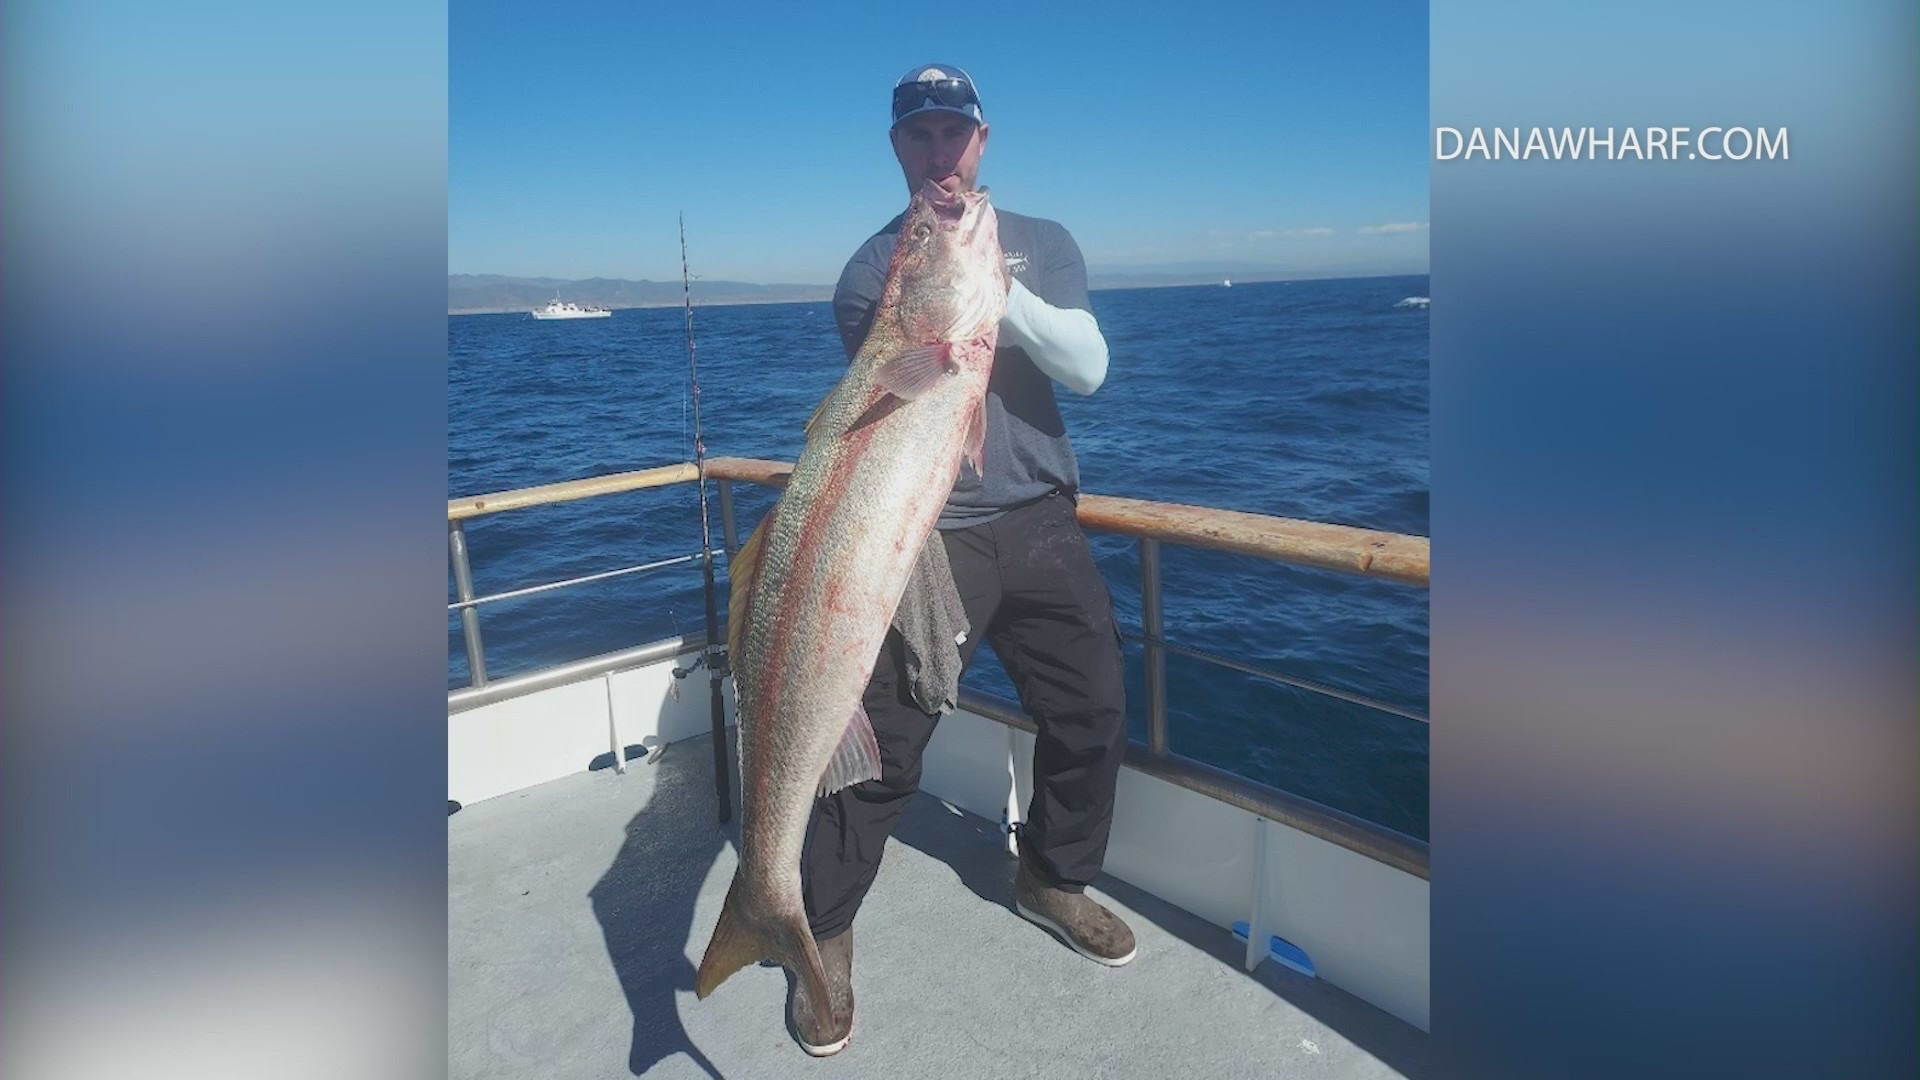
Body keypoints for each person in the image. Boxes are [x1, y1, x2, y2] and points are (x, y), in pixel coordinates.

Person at [792, 62, 1134, 1057]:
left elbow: (1090, 367)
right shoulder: (871, 273)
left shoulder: (1044, 244)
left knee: (1093, 708)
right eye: (919, 137)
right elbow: (892, 408)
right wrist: (940, 287)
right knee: (890, 742)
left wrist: (992, 288)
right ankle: (822, 928)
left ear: (983, 140)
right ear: (898, 149)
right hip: (927, 529)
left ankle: (1054, 878)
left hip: (1038, 519)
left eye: (956, 134)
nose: (940, 154)